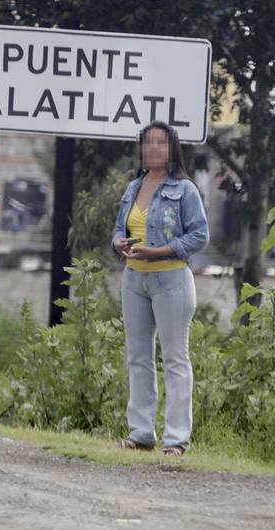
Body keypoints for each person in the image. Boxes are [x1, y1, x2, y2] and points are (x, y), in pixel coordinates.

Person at [112, 121, 209, 456]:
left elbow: (199, 235)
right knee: (137, 357)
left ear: (172, 150)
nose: (152, 148)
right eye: (147, 142)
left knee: (175, 357)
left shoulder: (184, 190)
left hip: (172, 281)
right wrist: (119, 243)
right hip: (134, 279)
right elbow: (117, 229)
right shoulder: (133, 187)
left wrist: (160, 251)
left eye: (159, 142)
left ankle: (176, 439)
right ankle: (141, 433)